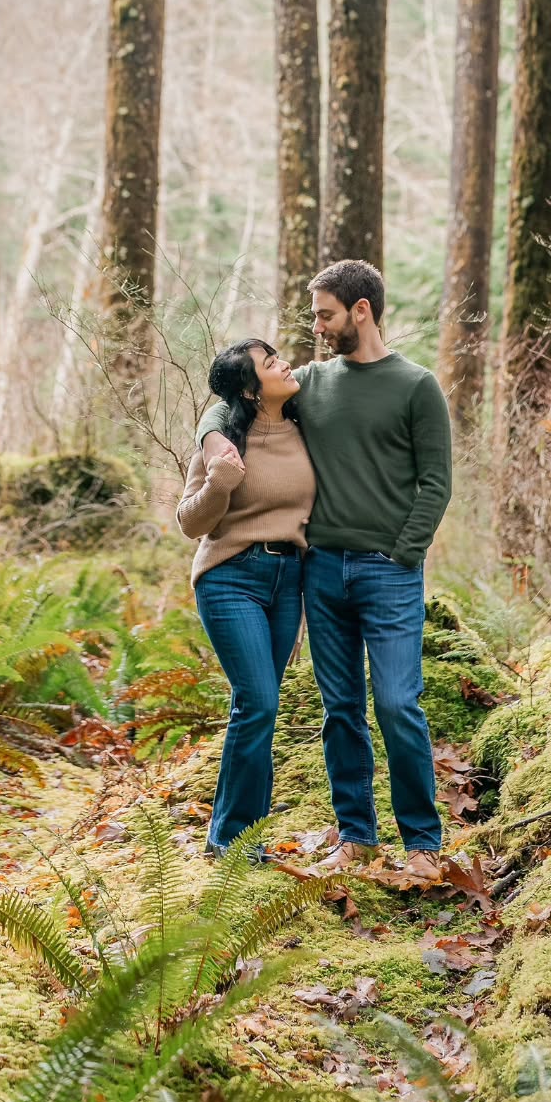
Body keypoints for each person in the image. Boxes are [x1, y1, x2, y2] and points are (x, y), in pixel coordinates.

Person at [198, 260, 452, 873]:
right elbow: (233, 399)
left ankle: (422, 841)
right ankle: (356, 835)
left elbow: (436, 483)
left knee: (396, 702)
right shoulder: (311, 382)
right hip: (320, 570)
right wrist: (211, 439)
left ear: (360, 311)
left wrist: (403, 552)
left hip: (389, 572)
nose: (316, 327)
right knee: (340, 707)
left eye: (325, 315)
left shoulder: (417, 386)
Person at [176, 339, 314, 857]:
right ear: (252, 391)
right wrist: (219, 484)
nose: (285, 363)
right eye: (270, 363)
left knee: (259, 709)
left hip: (290, 579)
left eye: (277, 355)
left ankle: (241, 834)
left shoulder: (305, 424)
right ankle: (233, 841)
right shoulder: (226, 439)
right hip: (231, 576)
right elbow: (191, 523)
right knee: (258, 702)